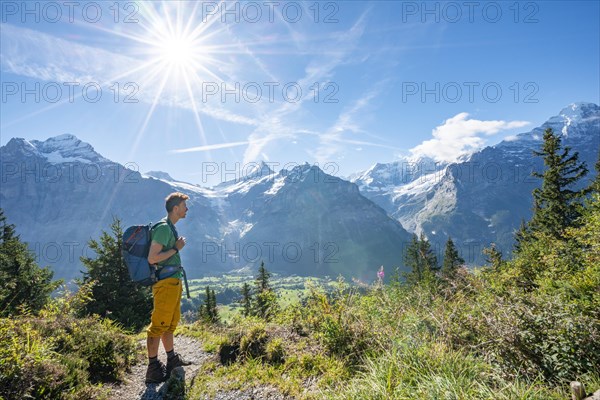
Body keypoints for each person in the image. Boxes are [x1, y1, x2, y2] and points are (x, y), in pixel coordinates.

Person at [145, 192, 193, 384]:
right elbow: (152, 257)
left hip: (172, 282)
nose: (186, 209)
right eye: (184, 206)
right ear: (175, 208)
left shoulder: (170, 228)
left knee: (170, 323)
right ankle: (153, 368)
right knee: (158, 325)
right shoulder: (164, 228)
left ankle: (171, 359)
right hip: (165, 284)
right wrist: (176, 249)